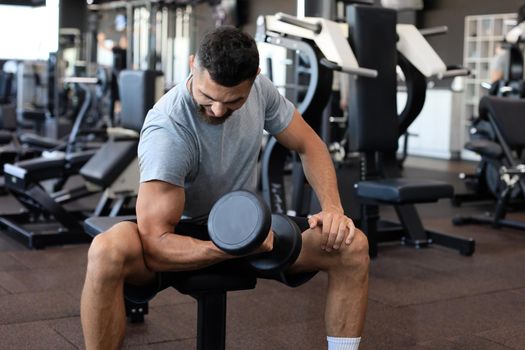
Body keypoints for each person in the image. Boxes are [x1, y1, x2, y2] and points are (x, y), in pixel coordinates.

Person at [80, 26, 370, 350]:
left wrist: (332, 208)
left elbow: (310, 145)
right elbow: (156, 243)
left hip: (247, 226)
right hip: (182, 236)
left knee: (351, 245)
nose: (218, 110)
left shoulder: (261, 89)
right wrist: (231, 247)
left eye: (233, 101)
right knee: (106, 251)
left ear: (254, 77)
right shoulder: (168, 129)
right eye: (208, 97)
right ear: (193, 65)